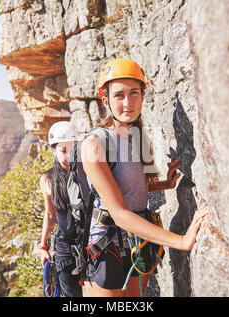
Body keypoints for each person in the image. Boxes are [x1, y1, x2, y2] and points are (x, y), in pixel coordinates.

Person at [80, 58, 208, 297]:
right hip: (107, 247)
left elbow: (130, 189)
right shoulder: (95, 145)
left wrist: (165, 185)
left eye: (134, 93)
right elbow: (119, 213)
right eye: (119, 95)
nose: (128, 102)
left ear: (142, 95)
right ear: (105, 99)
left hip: (137, 242)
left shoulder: (137, 137)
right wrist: (180, 241)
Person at [39, 121, 82, 297]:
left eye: (73, 150)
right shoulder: (48, 180)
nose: (69, 156)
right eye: (63, 151)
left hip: (91, 243)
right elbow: (50, 214)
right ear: (53, 151)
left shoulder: (88, 171)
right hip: (65, 247)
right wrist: (43, 245)